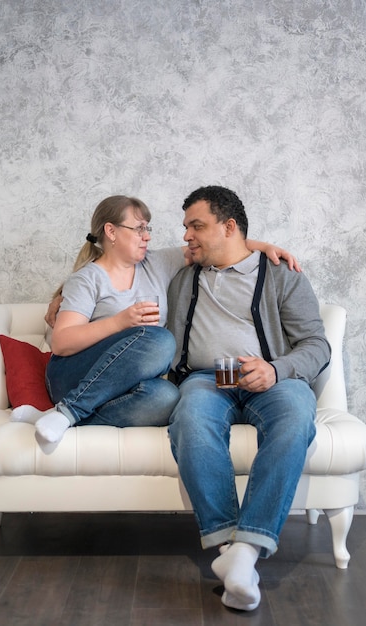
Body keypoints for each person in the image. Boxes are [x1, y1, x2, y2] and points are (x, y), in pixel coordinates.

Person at [13, 193, 299, 445]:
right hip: (72, 376)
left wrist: (263, 246)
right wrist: (121, 322)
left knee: (167, 398)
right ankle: (68, 409)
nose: (147, 235)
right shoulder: (87, 279)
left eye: (147, 228)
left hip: (120, 387)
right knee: (161, 340)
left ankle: (58, 416)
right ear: (111, 232)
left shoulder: (158, 263)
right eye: (138, 228)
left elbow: (216, 245)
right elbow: (62, 343)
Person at [166, 185, 331, 612]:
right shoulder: (183, 273)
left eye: (196, 226)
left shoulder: (282, 274)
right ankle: (229, 550)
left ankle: (247, 550)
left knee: (296, 416)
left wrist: (275, 369)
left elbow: (316, 345)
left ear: (229, 226)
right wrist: (61, 300)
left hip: (273, 379)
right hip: (206, 380)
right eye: (185, 227)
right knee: (190, 420)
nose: (187, 236)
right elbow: (110, 262)